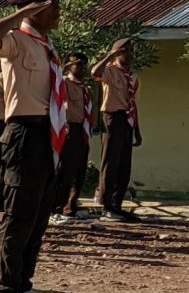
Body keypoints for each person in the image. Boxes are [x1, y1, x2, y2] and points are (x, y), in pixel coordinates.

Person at [0, 0, 68, 293]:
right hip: (24, 132)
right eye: (55, 5)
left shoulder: (47, 45)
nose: (59, 12)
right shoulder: (16, 40)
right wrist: (23, 13)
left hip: (48, 133)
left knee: (38, 216)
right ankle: (6, 291)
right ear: (40, 6)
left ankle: (23, 286)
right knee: (18, 214)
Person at [94, 38, 141, 222]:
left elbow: (133, 103)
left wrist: (137, 129)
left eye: (130, 51)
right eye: (124, 51)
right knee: (110, 162)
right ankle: (107, 206)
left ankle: (117, 204)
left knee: (124, 164)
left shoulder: (133, 76)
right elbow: (94, 73)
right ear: (117, 53)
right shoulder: (110, 71)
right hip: (112, 118)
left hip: (127, 120)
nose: (129, 55)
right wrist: (109, 57)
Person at [51, 54, 94, 225]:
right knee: (65, 170)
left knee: (79, 171)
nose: (82, 68)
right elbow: (61, 103)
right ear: (69, 66)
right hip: (69, 129)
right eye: (78, 65)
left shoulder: (85, 88)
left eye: (84, 65)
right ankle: (56, 208)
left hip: (82, 131)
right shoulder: (65, 84)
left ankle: (71, 206)